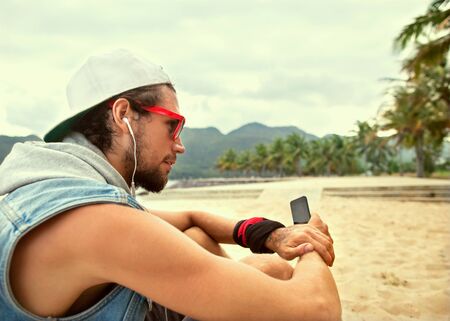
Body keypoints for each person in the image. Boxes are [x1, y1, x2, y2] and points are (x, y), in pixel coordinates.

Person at [0, 49, 341, 321]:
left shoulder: (55, 190)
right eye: (172, 126)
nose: (180, 145)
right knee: (278, 272)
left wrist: (271, 235)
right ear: (123, 115)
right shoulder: (96, 223)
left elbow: (192, 217)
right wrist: (310, 240)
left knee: (202, 239)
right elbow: (318, 310)